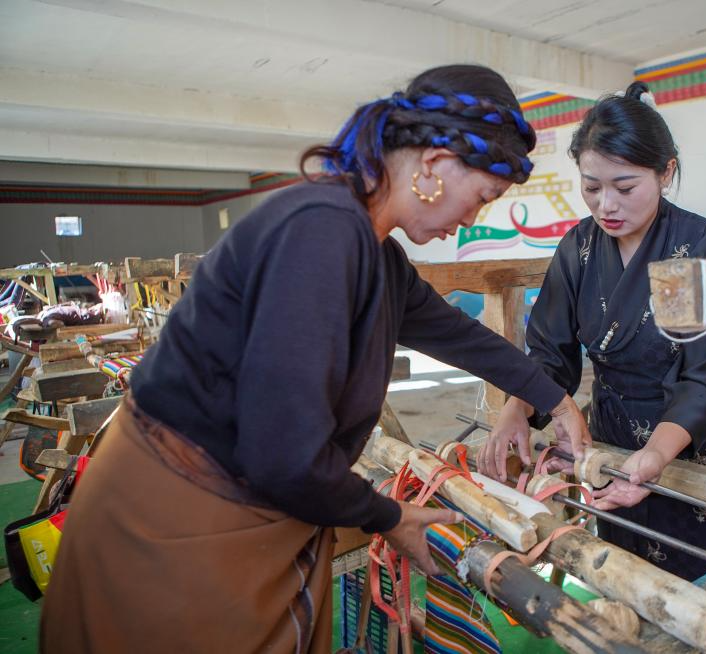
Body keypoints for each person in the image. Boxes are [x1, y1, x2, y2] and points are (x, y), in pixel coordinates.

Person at [40, 65, 590, 654]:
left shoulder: (378, 257)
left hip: (252, 510)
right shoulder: (321, 233)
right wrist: (387, 516)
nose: (470, 220)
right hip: (180, 519)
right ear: (432, 164)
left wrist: (556, 401)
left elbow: (460, 336)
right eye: (481, 198)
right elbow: (284, 453)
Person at [479, 81, 706, 581]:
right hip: (613, 429)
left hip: (691, 434)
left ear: (666, 172)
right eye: (591, 187)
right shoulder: (578, 248)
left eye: (625, 188)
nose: (606, 205)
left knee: (704, 584)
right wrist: (517, 409)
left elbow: (701, 378)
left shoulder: (698, 246)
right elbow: (550, 353)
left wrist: (655, 455)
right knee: (624, 572)